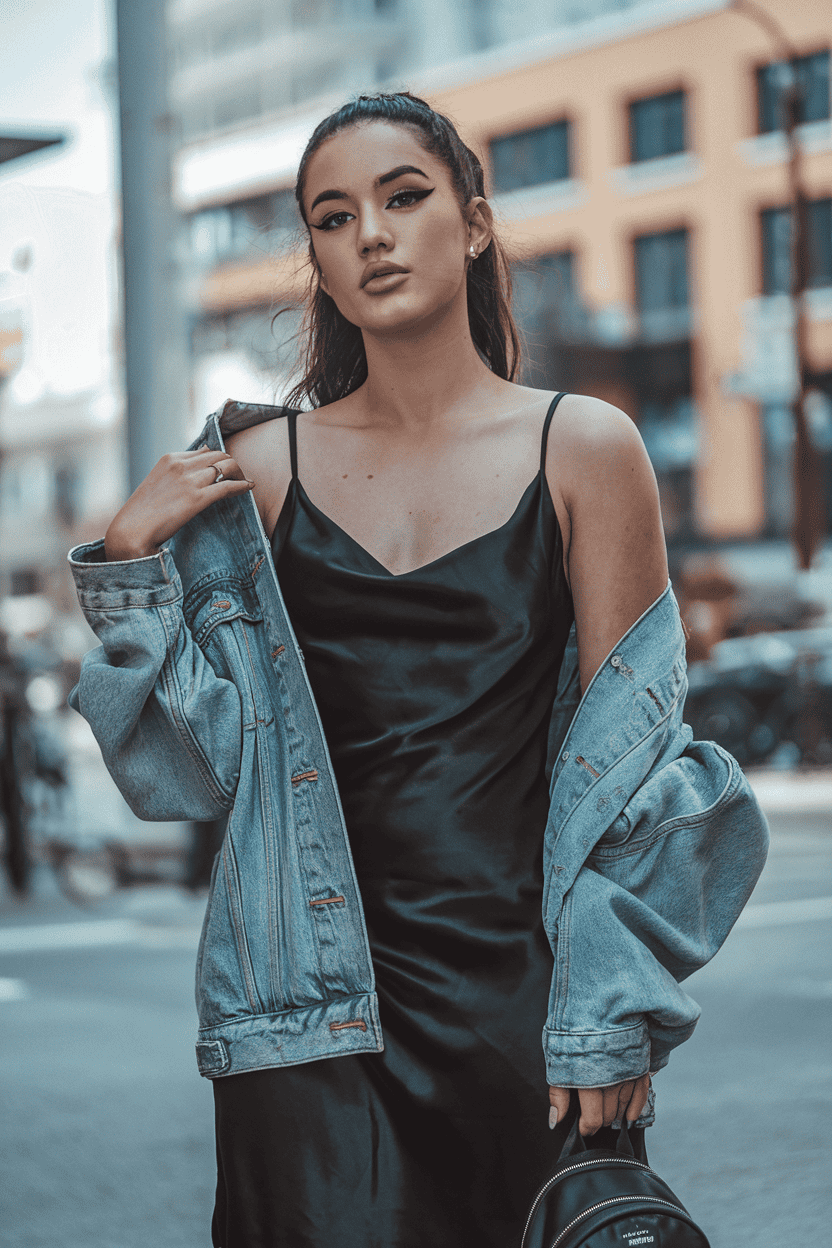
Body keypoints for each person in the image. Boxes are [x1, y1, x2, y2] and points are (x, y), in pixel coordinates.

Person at [68, 93, 768, 1248]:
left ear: (475, 223)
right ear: (320, 265)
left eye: (404, 198)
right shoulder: (254, 471)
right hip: (304, 1024)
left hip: (531, 1013)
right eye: (333, 218)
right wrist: (135, 567)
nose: (373, 235)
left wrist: (609, 1014)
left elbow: (643, 773)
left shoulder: (582, 447)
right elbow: (189, 781)